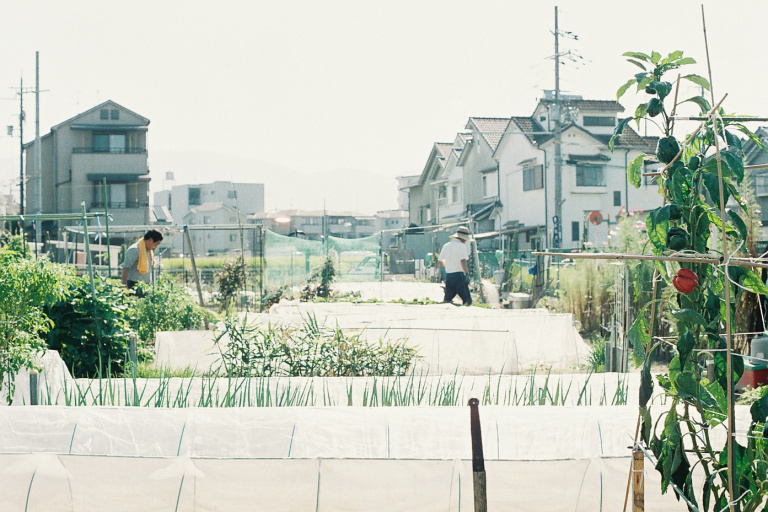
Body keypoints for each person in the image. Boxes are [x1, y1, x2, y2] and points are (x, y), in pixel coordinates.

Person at [122, 229, 163, 296]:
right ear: (150, 240)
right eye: (156, 244)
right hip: (133, 285)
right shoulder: (135, 250)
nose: (156, 246)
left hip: (144, 286)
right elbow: (126, 268)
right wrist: (125, 287)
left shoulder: (148, 251)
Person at [438, 226, 472, 306]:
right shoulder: (461, 246)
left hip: (449, 276)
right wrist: (466, 273)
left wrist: (448, 266)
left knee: (447, 300)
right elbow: (463, 261)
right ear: (463, 238)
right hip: (458, 276)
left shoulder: (446, 245)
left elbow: (440, 261)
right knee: (467, 301)